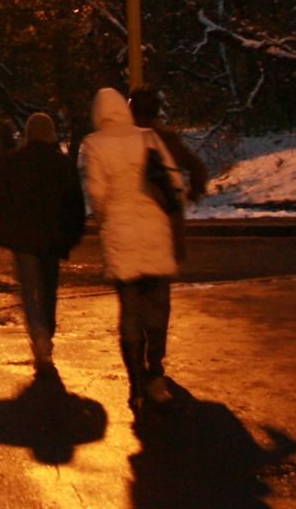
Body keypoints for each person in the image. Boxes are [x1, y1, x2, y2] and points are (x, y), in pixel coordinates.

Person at [82, 87, 186, 410]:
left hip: (121, 236)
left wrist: (104, 220)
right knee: (158, 307)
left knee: (130, 310)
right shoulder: (147, 138)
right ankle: (156, 373)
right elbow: (175, 184)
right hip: (155, 231)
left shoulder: (93, 145)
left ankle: (136, 384)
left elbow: (96, 195)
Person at [0, 112, 86, 373]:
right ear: (51, 133)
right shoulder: (62, 164)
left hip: (22, 237)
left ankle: (39, 334)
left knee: (30, 289)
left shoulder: (14, 163)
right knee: (49, 288)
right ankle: (47, 334)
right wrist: (72, 234)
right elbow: (74, 204)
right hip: (52, 237)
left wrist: (6, 220)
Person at [129, 88, 211, 202]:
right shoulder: (167, 138)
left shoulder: (121, 139)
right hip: (164, 207)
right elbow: (197, 167)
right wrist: (193, 194)